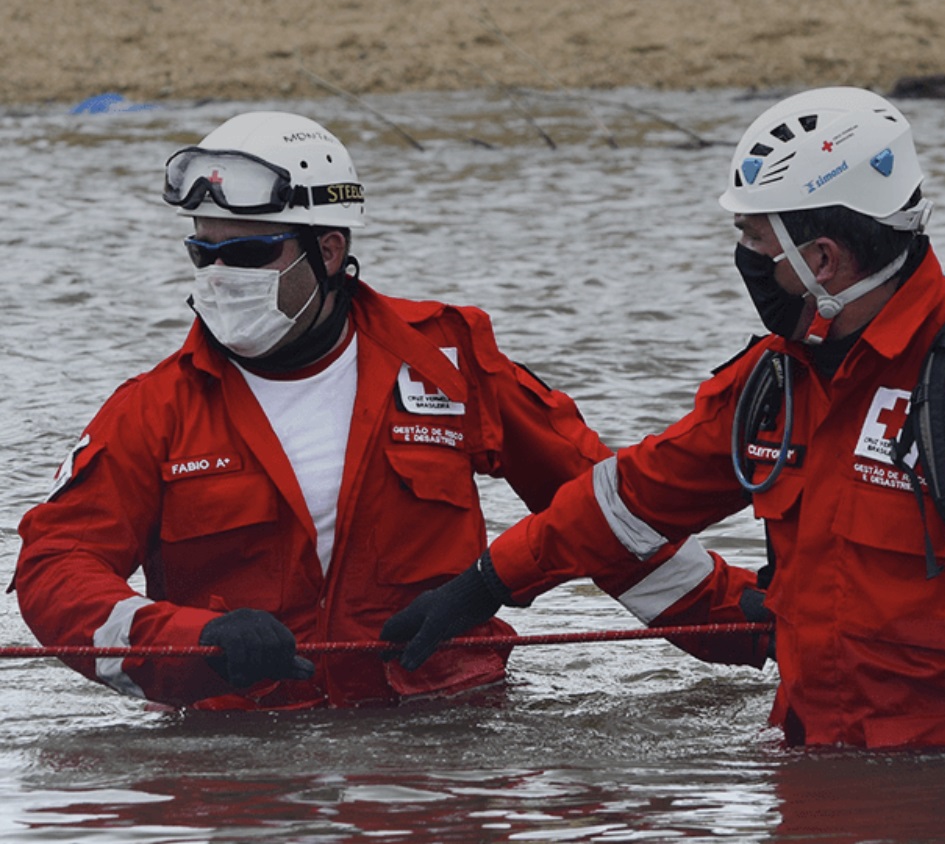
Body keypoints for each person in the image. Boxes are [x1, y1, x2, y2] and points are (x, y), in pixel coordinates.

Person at [380, 87, 945, 748]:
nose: (744, 258)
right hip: (812, 767)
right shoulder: (777, 379)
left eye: (755, 241)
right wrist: (482, 586)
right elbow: (629, 499)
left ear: (820, 259)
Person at [13, 111, 714, 710]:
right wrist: (190, 641)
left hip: (450, 738)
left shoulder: (449, 358)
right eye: (205, 251)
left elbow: (598, 509)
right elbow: (55, 568)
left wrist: (737, 615)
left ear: (329, 250)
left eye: (251, 254)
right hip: (248, 764)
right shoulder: (153, 410)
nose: (221, 277)